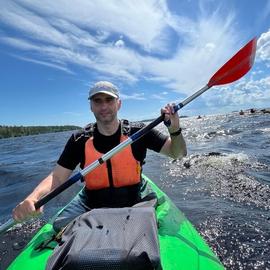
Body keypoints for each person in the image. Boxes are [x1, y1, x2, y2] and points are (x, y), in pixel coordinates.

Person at [12, 81, 187, 231]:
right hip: (91, 204)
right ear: (91, 106)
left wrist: (174, 130)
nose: (104, 106)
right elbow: (57, 177)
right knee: (59, 228)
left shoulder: (139, 132)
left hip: (133, 200)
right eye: (97, 101)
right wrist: (34, 198)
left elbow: (177, 153)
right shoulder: (79, 139)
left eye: (109, 100)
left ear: (118, 104)